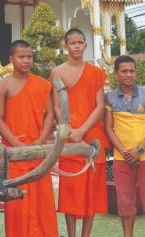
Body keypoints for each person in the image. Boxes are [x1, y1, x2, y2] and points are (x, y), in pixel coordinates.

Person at [0, 40, 58, 237]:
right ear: (11, 59)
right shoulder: (3, 86)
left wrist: (41, 139)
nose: (27, 60)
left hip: (38, 151)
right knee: (17, 203)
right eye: (22, 57)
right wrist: (15, 142)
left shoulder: (43, 84)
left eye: (29, 56)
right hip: (14, 154)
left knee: (42, 202)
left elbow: (50, 115)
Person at [50, 28, 108, 237]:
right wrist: (69, 130)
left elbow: (100, 106)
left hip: (92, 137)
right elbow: (57, 107)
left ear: (85, 45)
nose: (76, 46)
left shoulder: (95, 73)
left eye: (80, 42)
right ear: (65, 46)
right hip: (70, 137)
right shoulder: (57, 73)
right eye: (72, 43)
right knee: (71, 192)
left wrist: (82, 130)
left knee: (92, 193)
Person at [104, 56, 145, 237]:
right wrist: (124, 152)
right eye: (124, 71)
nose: (128, 74)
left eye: (132, 71)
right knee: (125, 204)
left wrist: (139, 150)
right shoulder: (110, 97)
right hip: (122, 159)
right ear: (116, 74)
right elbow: (108, 127)